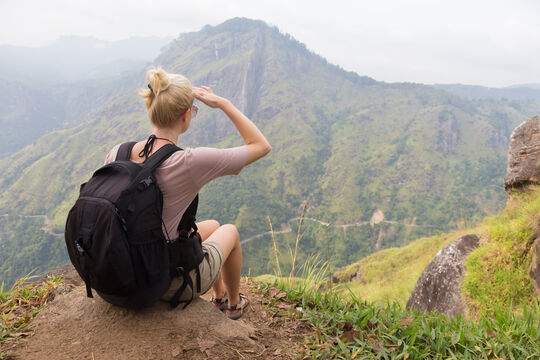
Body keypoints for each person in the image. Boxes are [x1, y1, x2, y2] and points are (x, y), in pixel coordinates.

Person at [103, 67, 271, 319]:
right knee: (230, 232)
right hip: (162, 283)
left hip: (122, 271)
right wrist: (223, 104)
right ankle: (234, 305)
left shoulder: (117, 153)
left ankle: (218, 296)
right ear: (185, 116)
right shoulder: (188, 161)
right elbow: (261, 146)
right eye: (193, 110)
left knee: (212, 225)